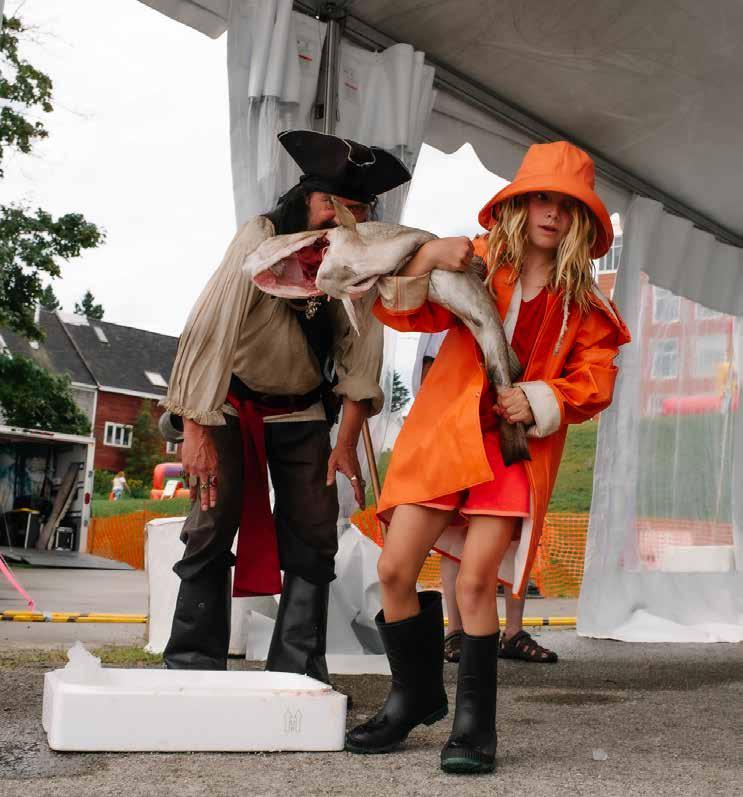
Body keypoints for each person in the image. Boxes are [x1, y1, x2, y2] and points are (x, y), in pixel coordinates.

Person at [346, 141, 631, 773]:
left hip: (513, 452)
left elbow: (595, 379)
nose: (552, 213)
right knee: (394, 570)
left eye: (567, 205)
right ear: (518, 205)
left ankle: (475, 727)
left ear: (582, 220)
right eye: (540, 199)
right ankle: (414, 696)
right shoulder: (477, 262)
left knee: (477, 582)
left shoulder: (585, 304)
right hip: (445, 437)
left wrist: (542, 398)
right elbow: (401, 311)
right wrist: (427, 256)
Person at [159, 129, 419, 679]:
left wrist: (344, 443)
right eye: (332, 203)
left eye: (355, 210)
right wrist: (194, 429)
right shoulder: (262, 234)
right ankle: (191, 667)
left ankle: (298, 671)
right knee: (209, 523)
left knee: (314, 532)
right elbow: (209, 327)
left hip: (303, 411)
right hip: (225, 406)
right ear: (306, 198)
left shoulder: (360, 260)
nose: (341, 218)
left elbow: (361, 357)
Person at [414, 330, 558, 664]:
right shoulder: (448, 323)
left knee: (513, 531)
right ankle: (456, 630)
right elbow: (429, 374)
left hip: (512, 429)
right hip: (459, 432)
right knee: (457, 535)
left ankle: (513, 632)